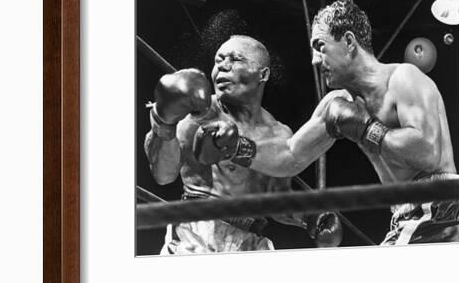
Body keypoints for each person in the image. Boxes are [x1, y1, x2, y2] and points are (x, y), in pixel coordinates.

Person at [199, 0, 459, 246]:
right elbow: (290, 156)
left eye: (320, 47)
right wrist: (236, 146)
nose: (314, 60)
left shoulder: (403, 77)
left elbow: (427, 152)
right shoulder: (337, 102)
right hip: (404, 217)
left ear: (348, 41)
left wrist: (367, 128)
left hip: (441, 210)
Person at [144, 35, 342, 254]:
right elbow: (163, 175)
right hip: (197, 230)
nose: (223, 68)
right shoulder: (199, 114)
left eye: (235, 59)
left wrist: (308, 217)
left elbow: (275, 200)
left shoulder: (278, 133)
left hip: (250, 238)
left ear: (263, 74)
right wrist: (163, 123)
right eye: (218, 61)